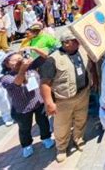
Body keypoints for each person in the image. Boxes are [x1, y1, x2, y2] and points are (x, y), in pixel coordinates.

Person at [39, 28, 93, 162]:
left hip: (83, 94)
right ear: (67, 43)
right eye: (76, 41)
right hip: (64, 100)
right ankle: (61, 148)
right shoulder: (52, 59)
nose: (79, 42)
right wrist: (49, 103)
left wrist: (94, 81)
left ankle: (78, 139)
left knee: (81, 119)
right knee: (62, 125)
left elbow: (90, 68)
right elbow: (45, 83)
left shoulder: (82, 51)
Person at [1, 52, 54, 158]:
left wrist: (33, 48)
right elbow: (17, 83)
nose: (19, 61)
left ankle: (46, 138)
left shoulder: (31, 67)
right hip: (22, 107)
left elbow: (45, 57)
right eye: (15, 60)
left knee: (43, 122)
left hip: (38, 102)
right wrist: (23, 68)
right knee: (25, 128)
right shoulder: (6, 78)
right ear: (7, 64)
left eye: (20, 58)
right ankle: (27, 145)